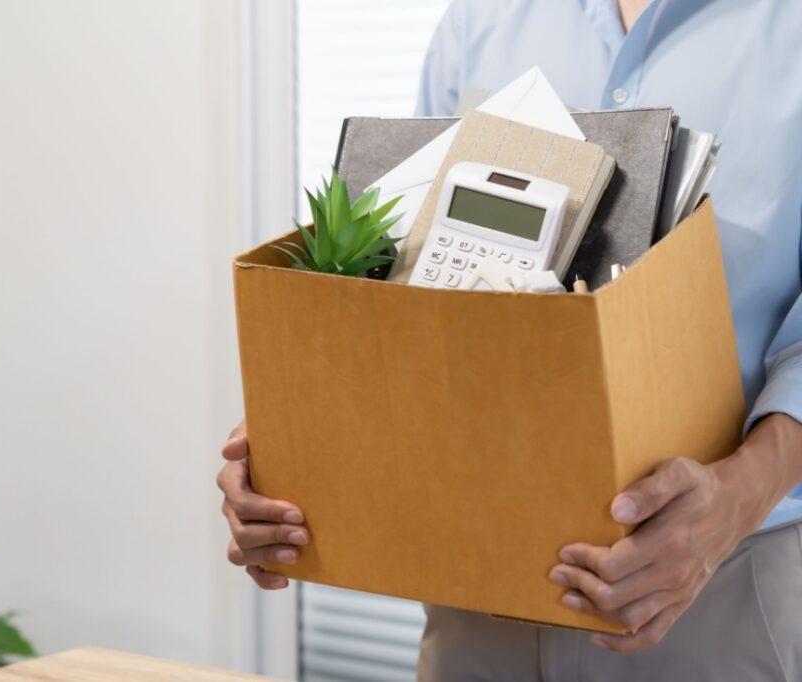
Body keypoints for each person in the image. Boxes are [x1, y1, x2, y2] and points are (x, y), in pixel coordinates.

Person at [217, 0, 802, 679]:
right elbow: (409, 286)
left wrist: (738, 495)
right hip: (476, 593)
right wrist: (296, 441)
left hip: (718, 592)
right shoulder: (476, 23)